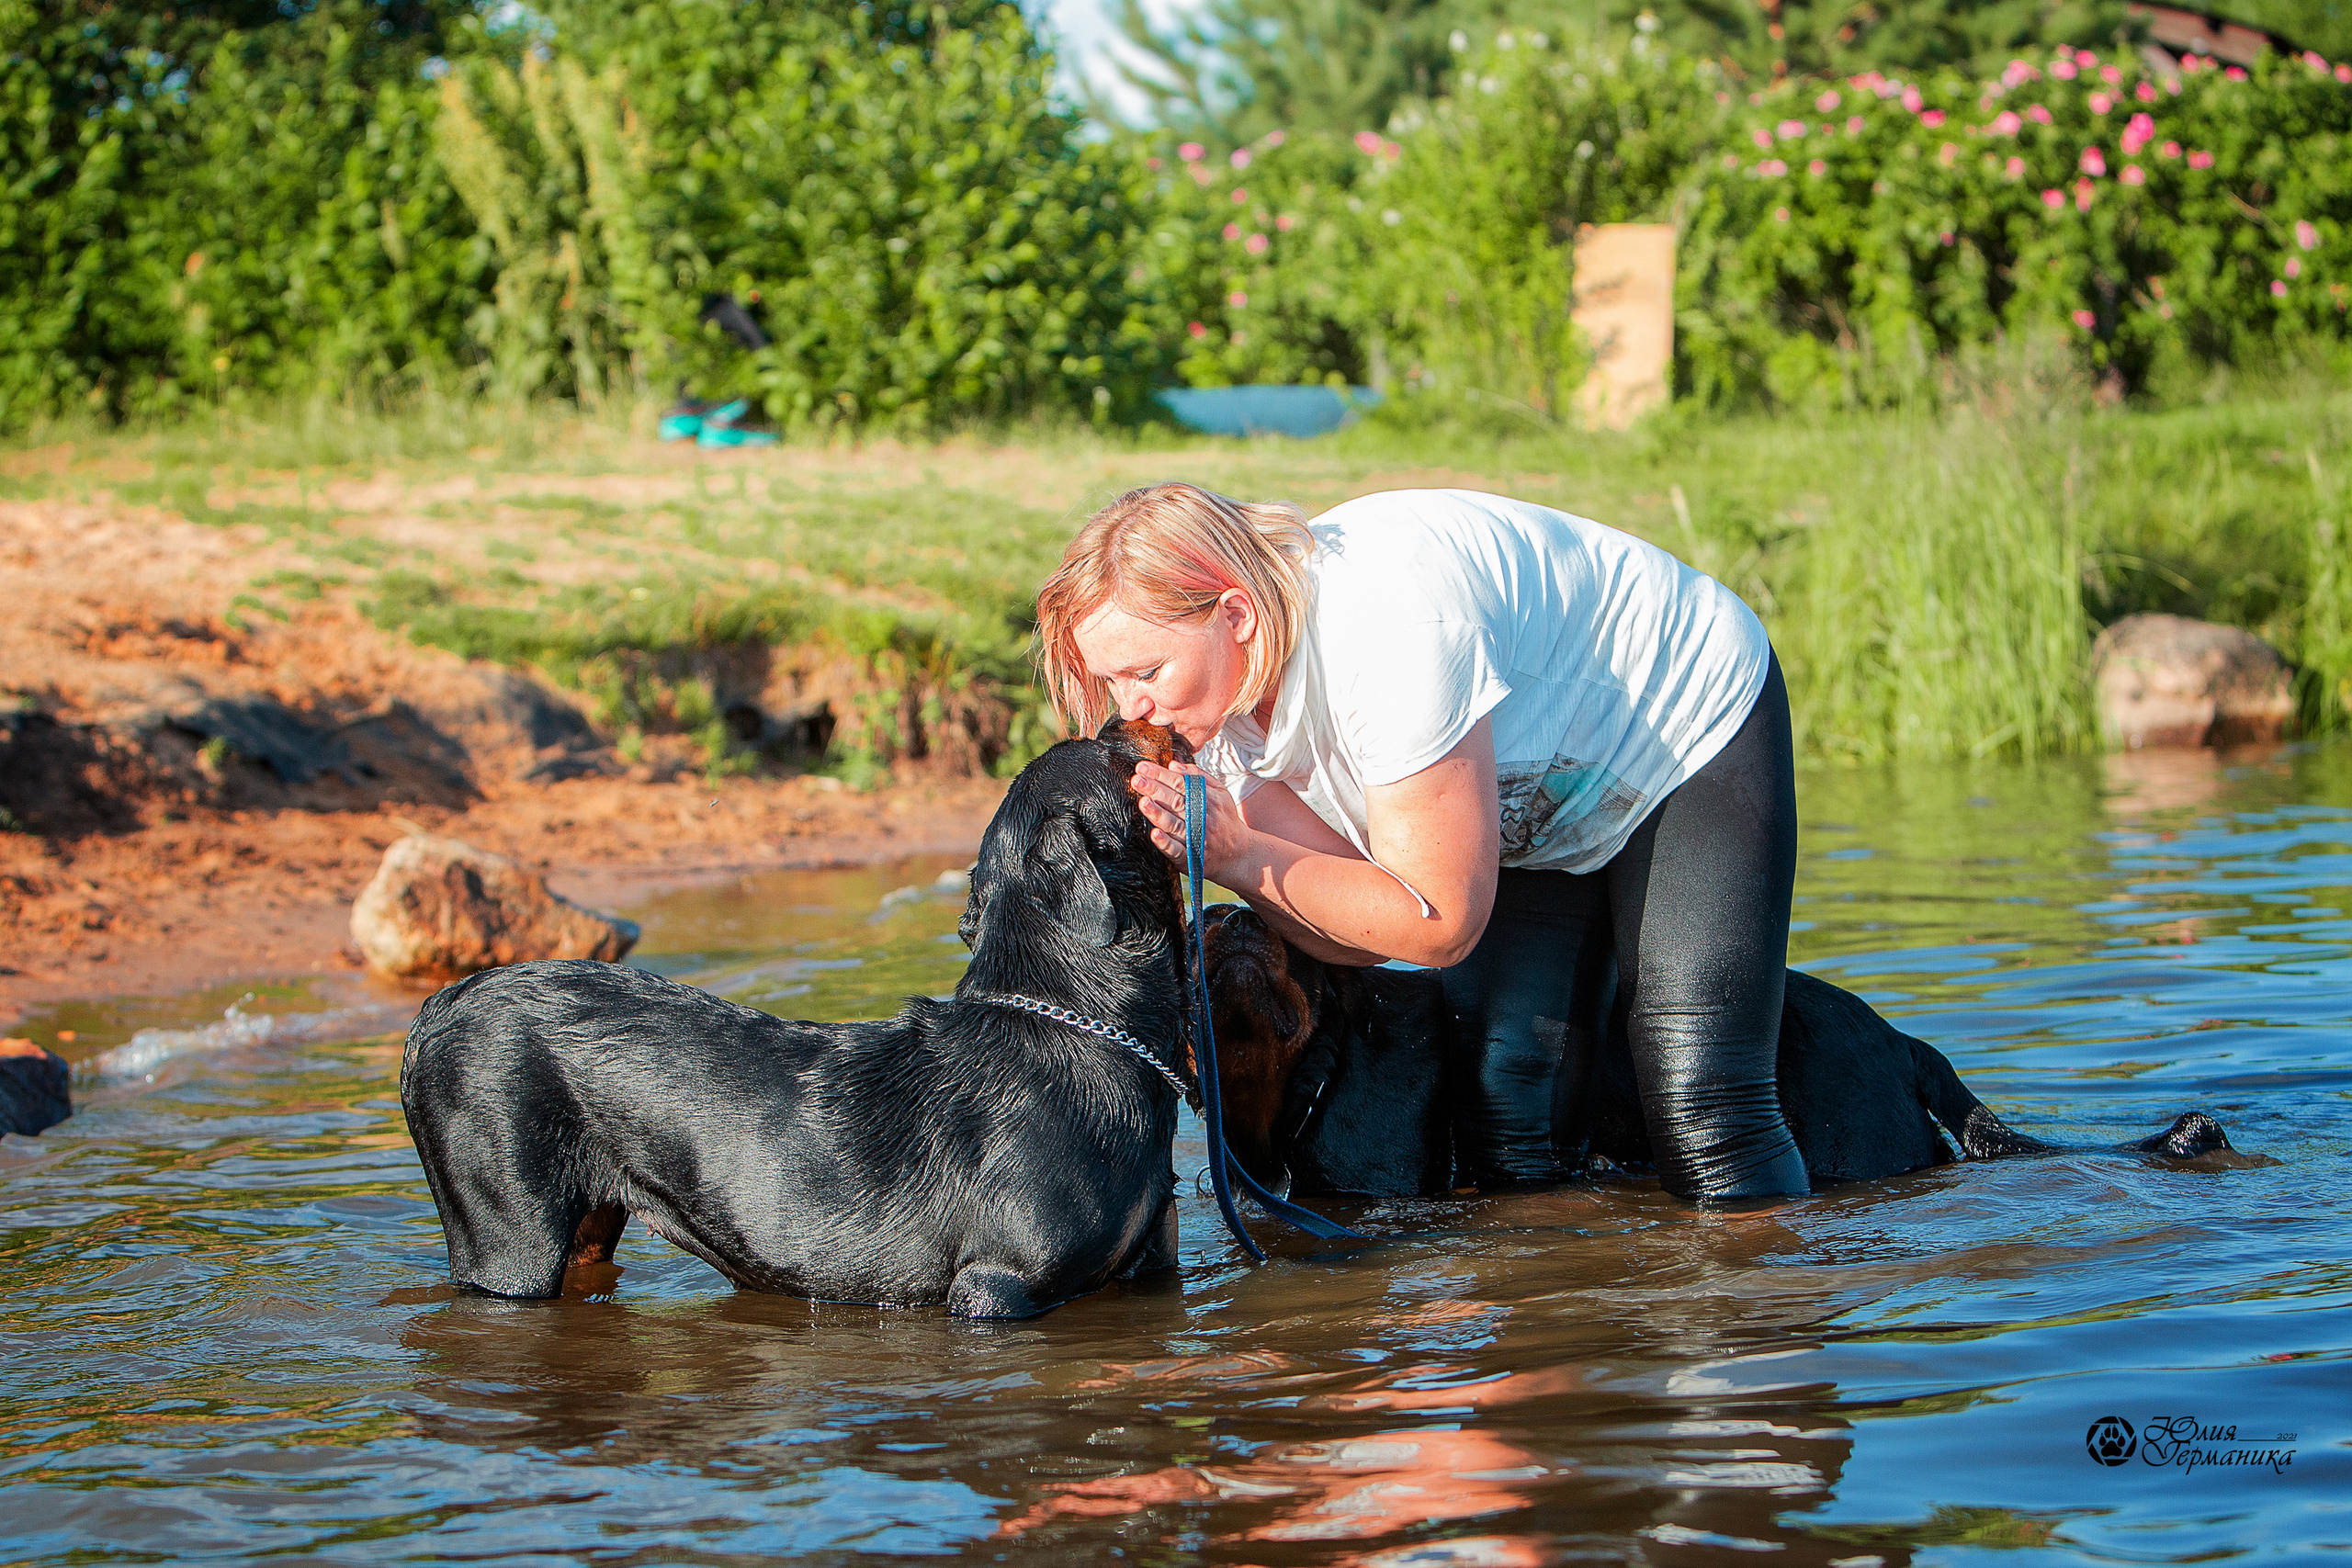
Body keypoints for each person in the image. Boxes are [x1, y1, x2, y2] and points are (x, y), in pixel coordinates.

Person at [1034, 481, 1808, 1202]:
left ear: (1236, 614)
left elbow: (1437, 922)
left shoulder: (1391, 631)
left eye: (1145, 670)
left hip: (1678, 726)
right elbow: (1366, 927)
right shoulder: (1216, 703)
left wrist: (1238, 853)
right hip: (1525, 788)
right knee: (1506, 1103)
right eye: (1113, 682)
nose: (1133, 709)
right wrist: (1235, 858)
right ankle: (1563, 1327)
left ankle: (1745, 1331)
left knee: (1706, 1109)